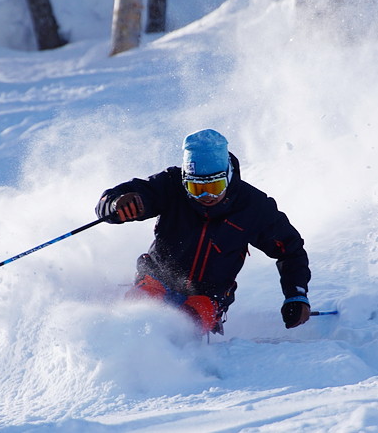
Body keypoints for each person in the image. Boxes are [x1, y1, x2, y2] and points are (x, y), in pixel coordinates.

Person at [96, 129, 311, 335]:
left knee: (188, 320)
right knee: (143, 302)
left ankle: (175, 361)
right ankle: (119, 343)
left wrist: (296, 296)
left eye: (215, 186)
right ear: (185, 181)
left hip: (208, 295)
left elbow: (290, 250)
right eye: (196, 188)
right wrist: (116, 205)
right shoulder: (171, 186)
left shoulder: (252, 207)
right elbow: (109, 201)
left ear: (228, 176)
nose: (207, 196)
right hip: (157, 278)